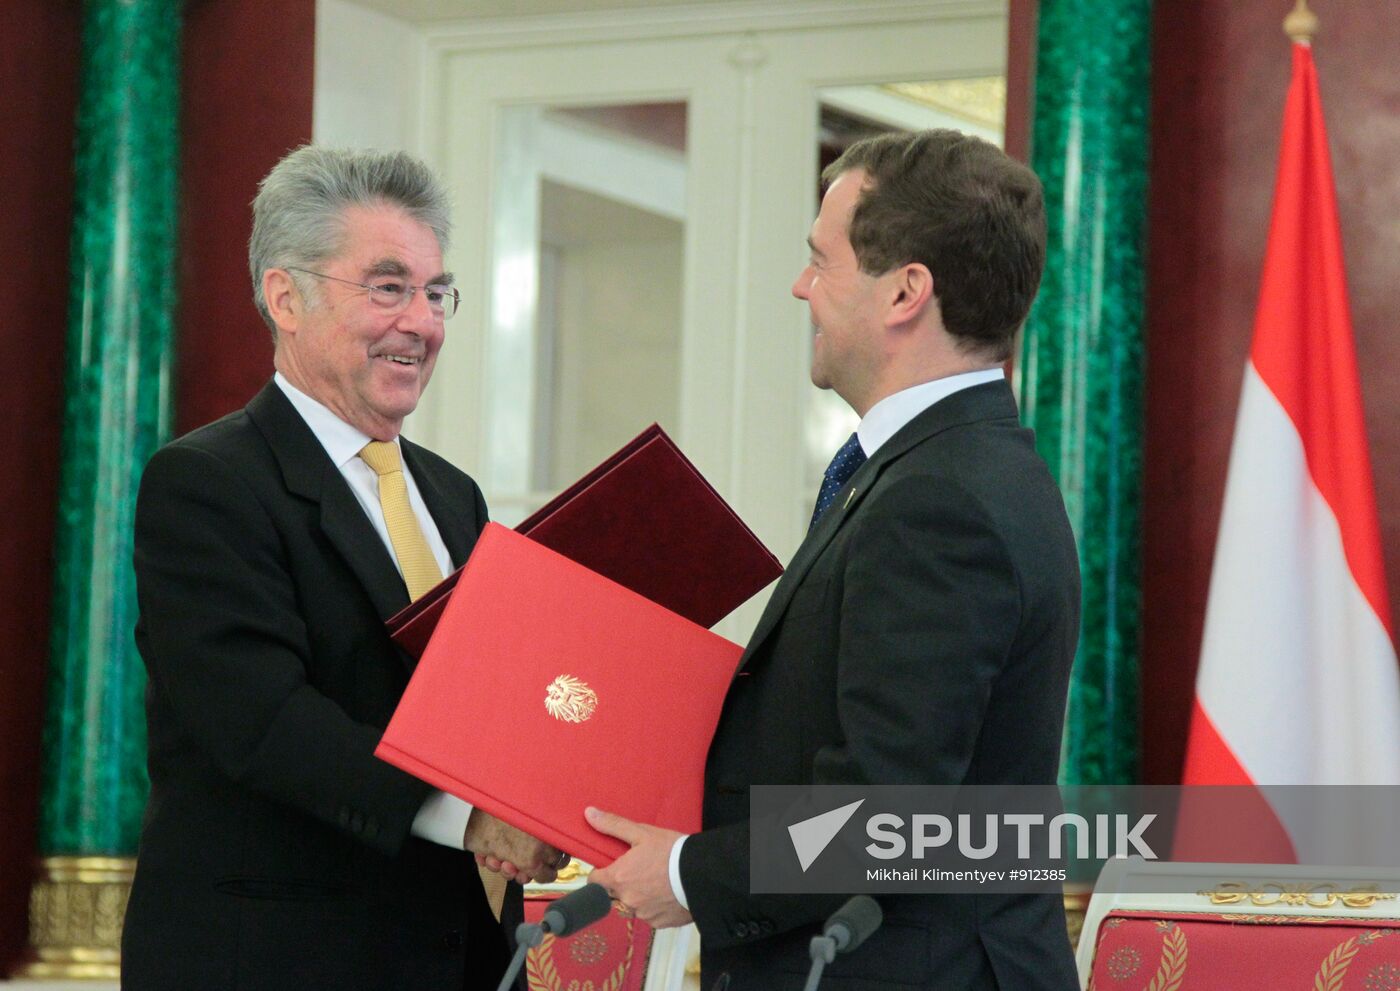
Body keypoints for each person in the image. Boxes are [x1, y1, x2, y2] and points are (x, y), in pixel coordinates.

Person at [585, 130, 1081, 989]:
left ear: (904, 292)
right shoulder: (947, 464)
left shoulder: (941, 499)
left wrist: (683, 875)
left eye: (822, 260)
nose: (800, 286)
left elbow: (880, 816)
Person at [122, 147, 565, 991]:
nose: (424, 322)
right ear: (286, 296)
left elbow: (477, 706)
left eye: (436, 293)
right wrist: (469, 819)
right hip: (274, 962)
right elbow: (263, 721)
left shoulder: (452, 493)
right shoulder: (208, 482)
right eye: (389, 287)